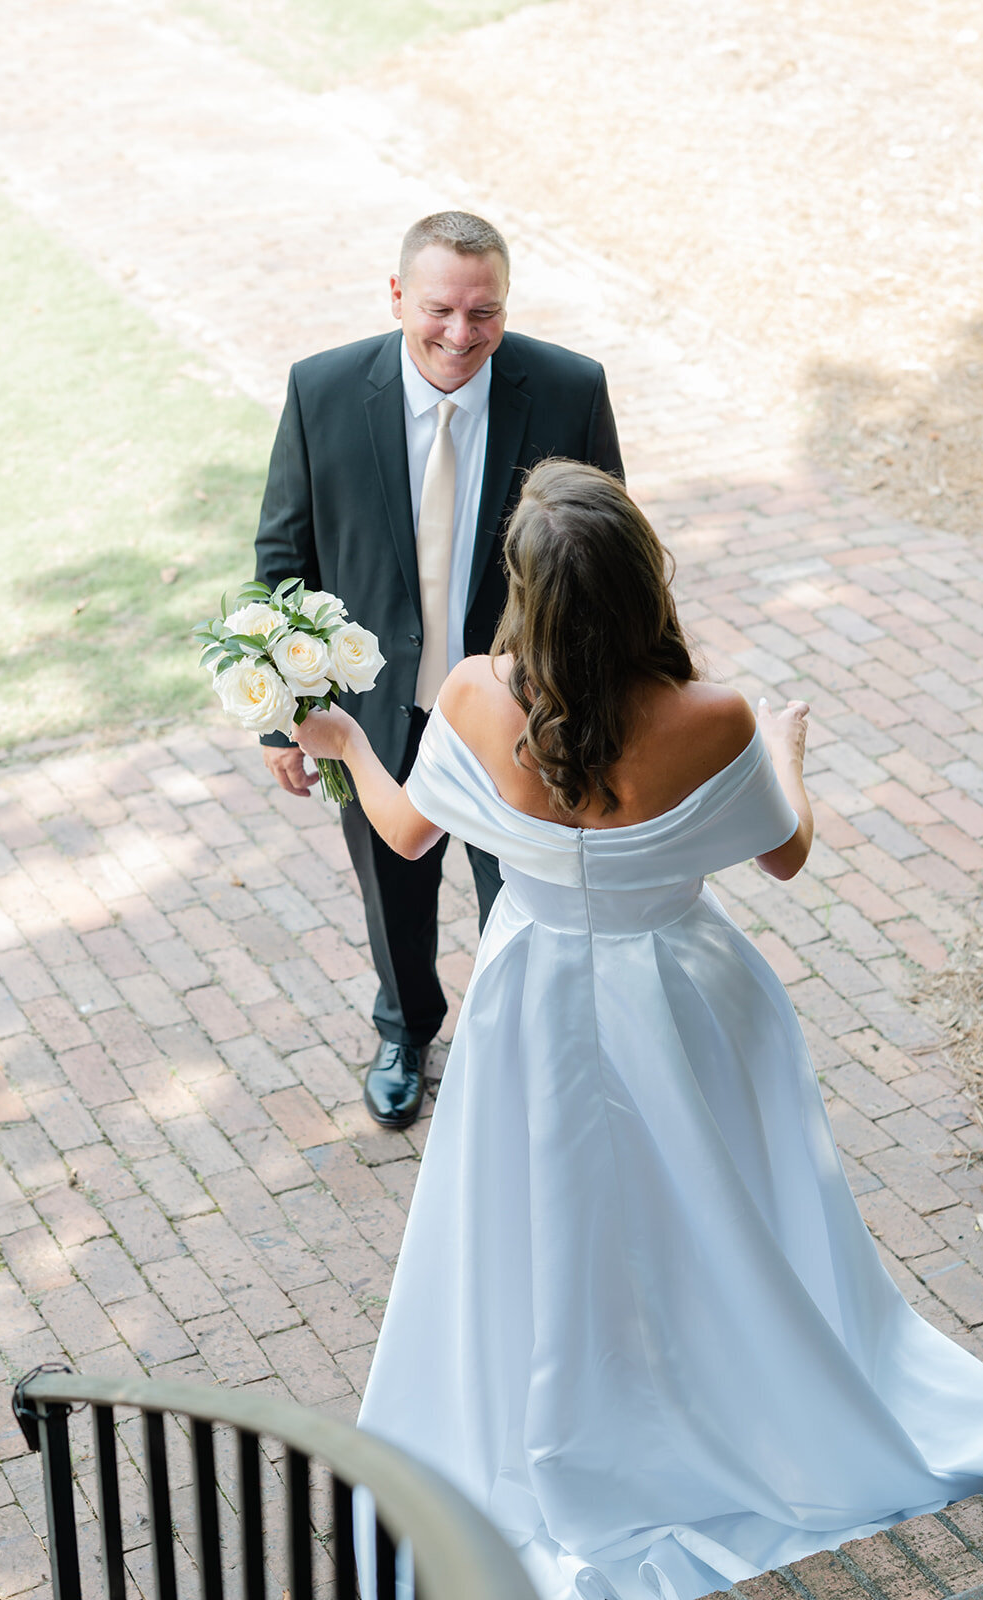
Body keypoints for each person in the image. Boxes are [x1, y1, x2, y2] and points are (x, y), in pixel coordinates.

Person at [292, 460, 983, 1600]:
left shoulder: (469, 693)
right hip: (682, 994)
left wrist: (345, 745)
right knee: (714, 1213)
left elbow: (407, 836)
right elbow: (785, 851)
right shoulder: (711, 716)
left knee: (551, 1216)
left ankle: (568, 1413)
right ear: (639, 579)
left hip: (535, 998)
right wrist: (789, 748)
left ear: (526, 591)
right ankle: (735, 1398)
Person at [254, 210, 623, 1132]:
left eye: (484, 313)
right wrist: (283, 716)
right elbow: (281, 562)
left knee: (527, 906)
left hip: (524, 723)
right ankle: (405, 1031)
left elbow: (605, 565)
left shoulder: (570, 389)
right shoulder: (323, 391)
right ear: (396, 296)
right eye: (440, 310)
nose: (461, 335)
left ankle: (526, 1056)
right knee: (394, 892)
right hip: (379, 720)